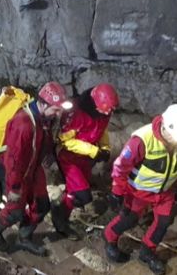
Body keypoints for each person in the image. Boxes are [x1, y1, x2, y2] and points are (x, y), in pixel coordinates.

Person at [102, 104, 177, 275]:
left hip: (164, 192)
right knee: (129, 219)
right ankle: (109, 238)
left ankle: (147, 252)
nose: (176, 141)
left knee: (163, 222)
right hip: (138, 191)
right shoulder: (142, 140)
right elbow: (121, 167)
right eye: (174, 136)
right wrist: (117, 191)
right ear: (165, 127)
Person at [0, 82, 71, 256]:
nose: (58, 114)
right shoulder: (23, 124)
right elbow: (13, 161)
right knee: (15, 210)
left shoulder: (45, 120)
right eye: (55, 109)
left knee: (42, 205)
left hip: (33, 168)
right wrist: (15, 188)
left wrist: (47, 153)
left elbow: (43, 141)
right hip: (18, 173)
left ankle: (24, 237)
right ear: (43, 104)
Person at [50, 83, 119, 240]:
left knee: (74, 191)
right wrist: (94, 151)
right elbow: (65, 141)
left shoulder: (103, 112)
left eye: (110, 109)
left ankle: (62, 218)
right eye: (106, 109)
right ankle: (58, 213)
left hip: (85, 158)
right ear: (96, 103)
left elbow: (102, 130)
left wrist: (105, 148)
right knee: (83, 195)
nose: (108, 112)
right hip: (69, 158)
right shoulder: (76, 113)